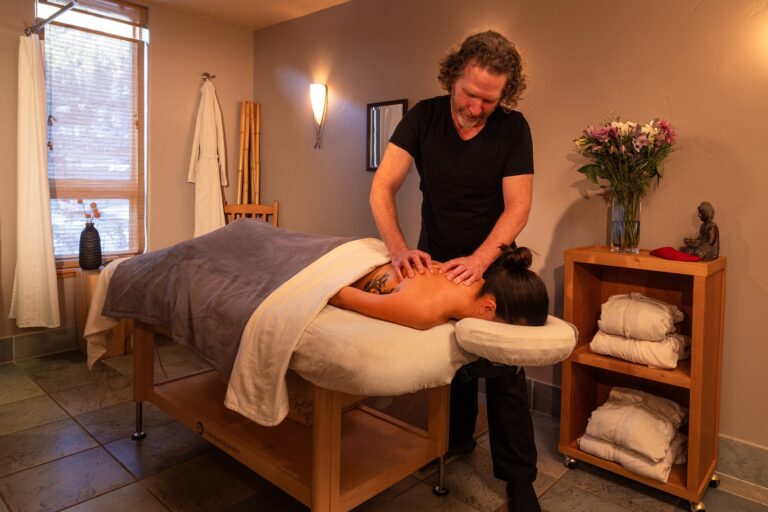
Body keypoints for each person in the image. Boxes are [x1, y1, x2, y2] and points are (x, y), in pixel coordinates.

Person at [368, 31, 541, 511]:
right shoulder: (422, 118)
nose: (477, 107)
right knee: (449, 360)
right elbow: (382, 187)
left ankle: (519, 480)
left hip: (494, 263)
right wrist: (399, 249)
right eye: (470, 94)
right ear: (452, 76)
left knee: (503, 373)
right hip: (436, 257)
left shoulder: (513, 128)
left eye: (490, 99)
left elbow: (518, 207)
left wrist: (481, 261)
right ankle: (454, 441)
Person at [330, 245, 548, 329]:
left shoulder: (476, 280)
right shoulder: (425, 309)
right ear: (488, 307)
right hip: (338, 260)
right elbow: (340, 295)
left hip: (362, 247)